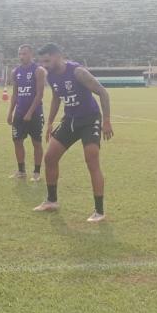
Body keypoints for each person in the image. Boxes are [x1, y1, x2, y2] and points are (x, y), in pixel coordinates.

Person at [33, 43, 113, 222]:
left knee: (91, 160)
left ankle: (99, 211)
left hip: (89, 120)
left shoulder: (78, 72)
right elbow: (56, 97)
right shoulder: (50, 75)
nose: (44, 65)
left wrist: (106, 121)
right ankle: (52, 201)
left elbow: (103, 92)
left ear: (58, 56)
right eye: (42, 61)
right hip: (70, 121)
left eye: (47, 60)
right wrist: (51, 122)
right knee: (50, 158)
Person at [7, 45, 46, 181]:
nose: (21, 56)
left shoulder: (38, 70)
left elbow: (39, 94)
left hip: (34, 114)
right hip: (19, 113)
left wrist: (30, 112)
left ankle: (36, 172)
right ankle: (21, 171)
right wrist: (10, 112)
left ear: (31, 54)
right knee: (17, 141)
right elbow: (15, 94)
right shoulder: (15, 72)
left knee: (36, 143)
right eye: (20, 54)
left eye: (24, 53)